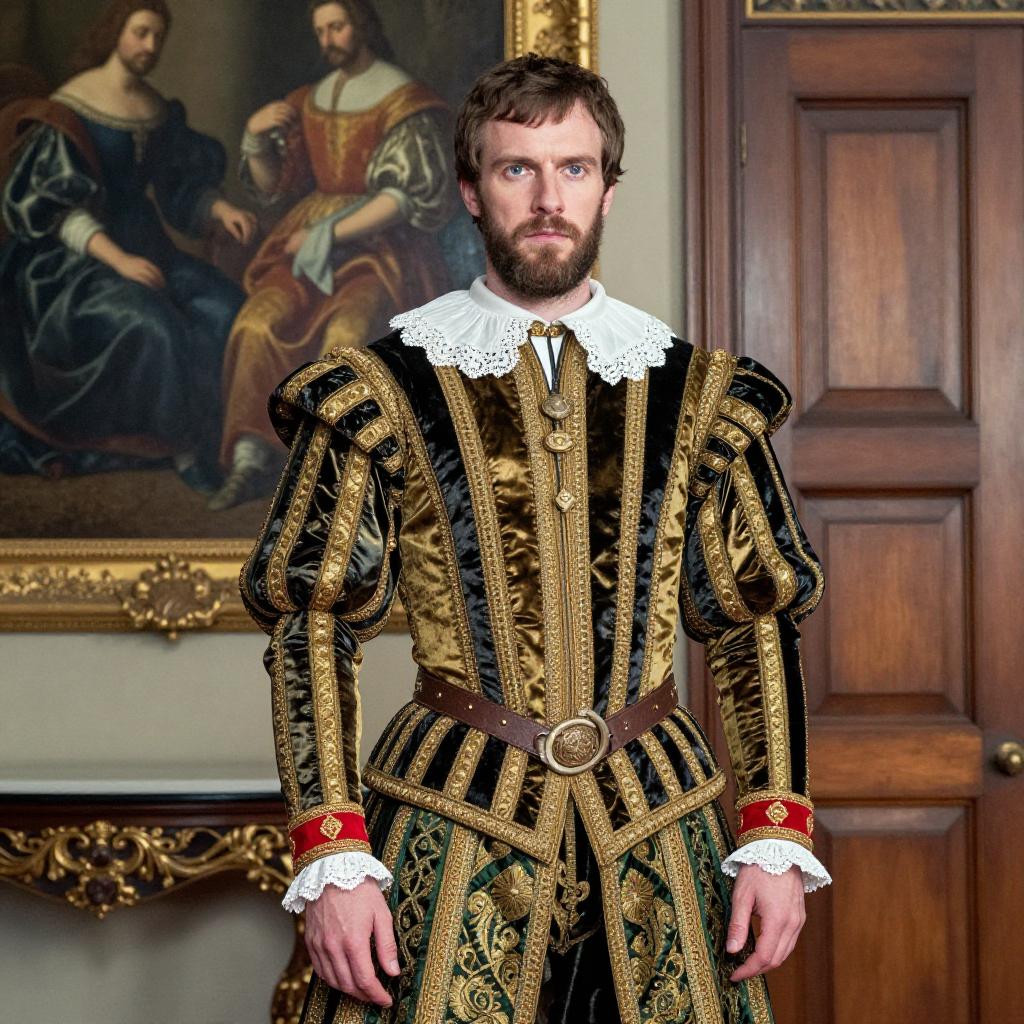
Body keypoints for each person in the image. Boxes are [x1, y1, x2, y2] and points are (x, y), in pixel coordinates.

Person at [242, 54, 833, 1024]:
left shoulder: (697, 394)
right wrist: (331, 849)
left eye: (573, 168)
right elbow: (310, 616)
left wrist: (775, 831)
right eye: (518, 169)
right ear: (470, 190)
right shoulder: (383, 384)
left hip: (659, 828)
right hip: (450, 821)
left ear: (607, 185)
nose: (548, 198)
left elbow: (752, 619)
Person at [210, 0, 455, 511]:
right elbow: (275, 187)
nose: (328, 39)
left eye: (337, 26)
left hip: (378, 248)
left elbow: (405, 197)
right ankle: (252, 457)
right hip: (306, 243)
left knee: (347, 337)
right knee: (255, 322)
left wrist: (330, 231)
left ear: (362, 25)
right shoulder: (307, 101)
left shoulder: (403, 100)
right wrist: (256, 138)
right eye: (320, 30)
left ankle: (344, 470)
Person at [0, 0, 254, 488]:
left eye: (159, 37)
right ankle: (180, 449)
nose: (150, 46)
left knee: (228, 308)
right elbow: (53, 208)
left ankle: (222, 440)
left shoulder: (158, 110)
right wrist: (117, 259)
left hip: (149, 248)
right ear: (116, 32)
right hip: (75, 262)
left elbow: (179, 189)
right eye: (141, 33)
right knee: (150, 324)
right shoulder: (70, 106)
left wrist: (220, 209)